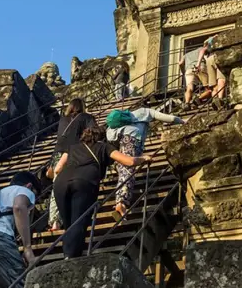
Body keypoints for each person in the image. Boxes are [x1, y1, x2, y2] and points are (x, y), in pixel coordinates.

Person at [52, 125, 151, 259]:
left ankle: (69, 254)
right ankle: (71, 257)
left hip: (61, 183)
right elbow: (129, 161)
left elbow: (57, 169)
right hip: (84, 182)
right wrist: (144, 159)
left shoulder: (72, 147)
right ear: (102, 137)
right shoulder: (104, 147)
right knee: (79, 221)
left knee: (69, 224)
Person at [107, 108, 185, 219]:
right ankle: (121, 202)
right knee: (129, 168)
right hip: (132, 140)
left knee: (124, 168)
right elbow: (169, 118)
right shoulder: (144, 112)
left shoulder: (113, 124)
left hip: (118, 144)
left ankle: (120, 200)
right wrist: (182, 122)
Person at [47, 99, 96, 232]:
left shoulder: (63, 119)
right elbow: (93, 133)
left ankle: (55, 222)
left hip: (57, 153)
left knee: (57, 185)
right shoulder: (86, 117)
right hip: (74, 153)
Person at [197, 35, 227, 107]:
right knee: (221, 79)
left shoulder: (207, 43)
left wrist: (198, 64)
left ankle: (214, 100)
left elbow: (203, 50)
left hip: (209, 60)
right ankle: (220, 99)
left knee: (214, 86)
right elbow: (203, 50)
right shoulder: (215, 39)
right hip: (217, 57)